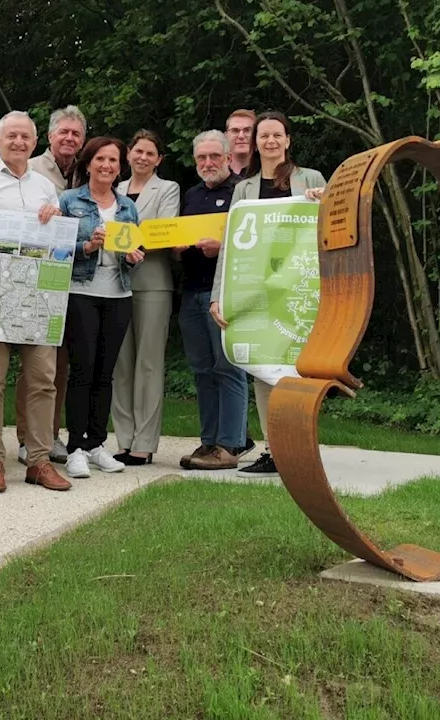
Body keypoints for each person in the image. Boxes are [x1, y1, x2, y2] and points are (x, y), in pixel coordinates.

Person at [0, 110, 72, 493]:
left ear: (34, 143)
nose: (19, 142)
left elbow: (56, 236)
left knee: (43, 378)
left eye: (25, 137)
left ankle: (38, 460)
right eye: (12, 136)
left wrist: (55, 217)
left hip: (39, 284)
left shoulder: (45, 186)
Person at [211, 110, 327, 478]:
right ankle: (274, 451)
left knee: (301, 370)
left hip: (301, 287)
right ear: (255, 142)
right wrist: (219, 295)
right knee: (264, 369)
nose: (271, 141)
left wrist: (324, 200)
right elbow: (231, 244)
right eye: (264, 136)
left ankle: (303, 449)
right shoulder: (243, 188)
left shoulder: (310, 178)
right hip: (256, 290)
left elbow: (334, 224)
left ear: (288, 140)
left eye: (278, 135)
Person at [59, 137, 145, 479]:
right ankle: (75, 448)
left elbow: (135, 251)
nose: (107, 165)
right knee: (82, 371)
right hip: (80, 292)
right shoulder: (69, 200)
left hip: (119, 296)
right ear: (88, 162)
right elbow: (57, 247)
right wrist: (87, 245)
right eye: (100, 159)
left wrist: (134, 257)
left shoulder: (127, 206)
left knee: (105, 374)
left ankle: (96, 444)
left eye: (113, 160)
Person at [174, 129, 250, 471]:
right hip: (191, 292)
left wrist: (223, 248)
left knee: (228, 368)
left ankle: (231, 444)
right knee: (202, 371)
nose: (208, 163)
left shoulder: (241, 192)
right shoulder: (190, 195)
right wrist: (177, 248)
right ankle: (209, 442)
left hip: (225, 293)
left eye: (214, 157)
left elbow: (253, 241)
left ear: (228, 158)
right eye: (202, 158)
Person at [16, 104, 88, 465]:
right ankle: (24, 436)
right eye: (64, 132)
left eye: (76, 133)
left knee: (60, 365)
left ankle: (49, 434)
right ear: (49, 136)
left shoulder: (87, 170)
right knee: (36, 360)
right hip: (37, 275)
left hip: (79, 277)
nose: (70, 138)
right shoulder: (30, 168)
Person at [111, 130, 181, 466]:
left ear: (158, 159)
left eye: (150, 153)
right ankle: (124, 438)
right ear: (128, 153)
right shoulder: (115, 189)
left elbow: (163, 231)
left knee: (149, 364)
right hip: (115, 284)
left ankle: (144, 441)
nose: (143, 157)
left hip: (153, 283)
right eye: (138, 151)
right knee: (121, 365)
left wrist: (125, 239)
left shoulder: (167, 189)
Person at [225, 109, 257, 177]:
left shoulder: (267, 173)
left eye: (247, 130)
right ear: (226, 136)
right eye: (235, 131)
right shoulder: (216, 173)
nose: (241, 136)